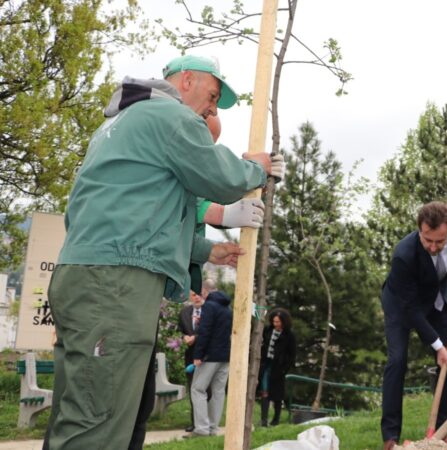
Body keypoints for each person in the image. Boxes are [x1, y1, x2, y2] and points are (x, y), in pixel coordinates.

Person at [45, 54, 283, 449]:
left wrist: (207, 250)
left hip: (83, 275)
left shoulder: (119, 124)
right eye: (212, 95)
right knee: (98, 422)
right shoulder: (167, 116)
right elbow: (221, 178)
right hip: (115, 286)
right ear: (186, 80)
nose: (210, 108)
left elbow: (140, 219)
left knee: (78, 409)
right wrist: (256, 168)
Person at [380, 201, 447, 450]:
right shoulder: (404, 255)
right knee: (397, 360)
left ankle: (442, 430)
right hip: (402, 306)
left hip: (435, 298)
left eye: (439, 241)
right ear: (419, 230)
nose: (433, 247)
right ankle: (391, 437)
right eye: (427, 240)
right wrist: (437, 346)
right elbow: (411, 310)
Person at [189, 290, 233, 437]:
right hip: (225, 356)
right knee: (218, 392)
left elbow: (205, 331)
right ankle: (213, 429)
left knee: (197, 389)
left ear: (206, 292)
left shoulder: (209, 306)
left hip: (209, 356)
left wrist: (198, 355)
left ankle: (201, 429)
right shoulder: (227, 309)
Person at [258, 307, 297, 426]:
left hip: (279, 368)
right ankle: (263, 419)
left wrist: (284, 369)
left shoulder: (290, 335)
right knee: (264, 391)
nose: (276, 324)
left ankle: (276, 419)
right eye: (274, 321)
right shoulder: (267, 330)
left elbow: (292, 354)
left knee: (277, 395)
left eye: (278, 322)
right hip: (266, 364)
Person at [178, 289, 208, 433]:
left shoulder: (209, 312)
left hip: (207, 356)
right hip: (190, 355)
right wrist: (184, 337)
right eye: (194, 295)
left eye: (199, 294)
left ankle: (205, 422)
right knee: (192, 388)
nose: (197, 297)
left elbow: (211, 330)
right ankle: (195, 422)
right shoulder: (184, 312)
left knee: (205, 389)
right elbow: (180, 330)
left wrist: (195, 337)